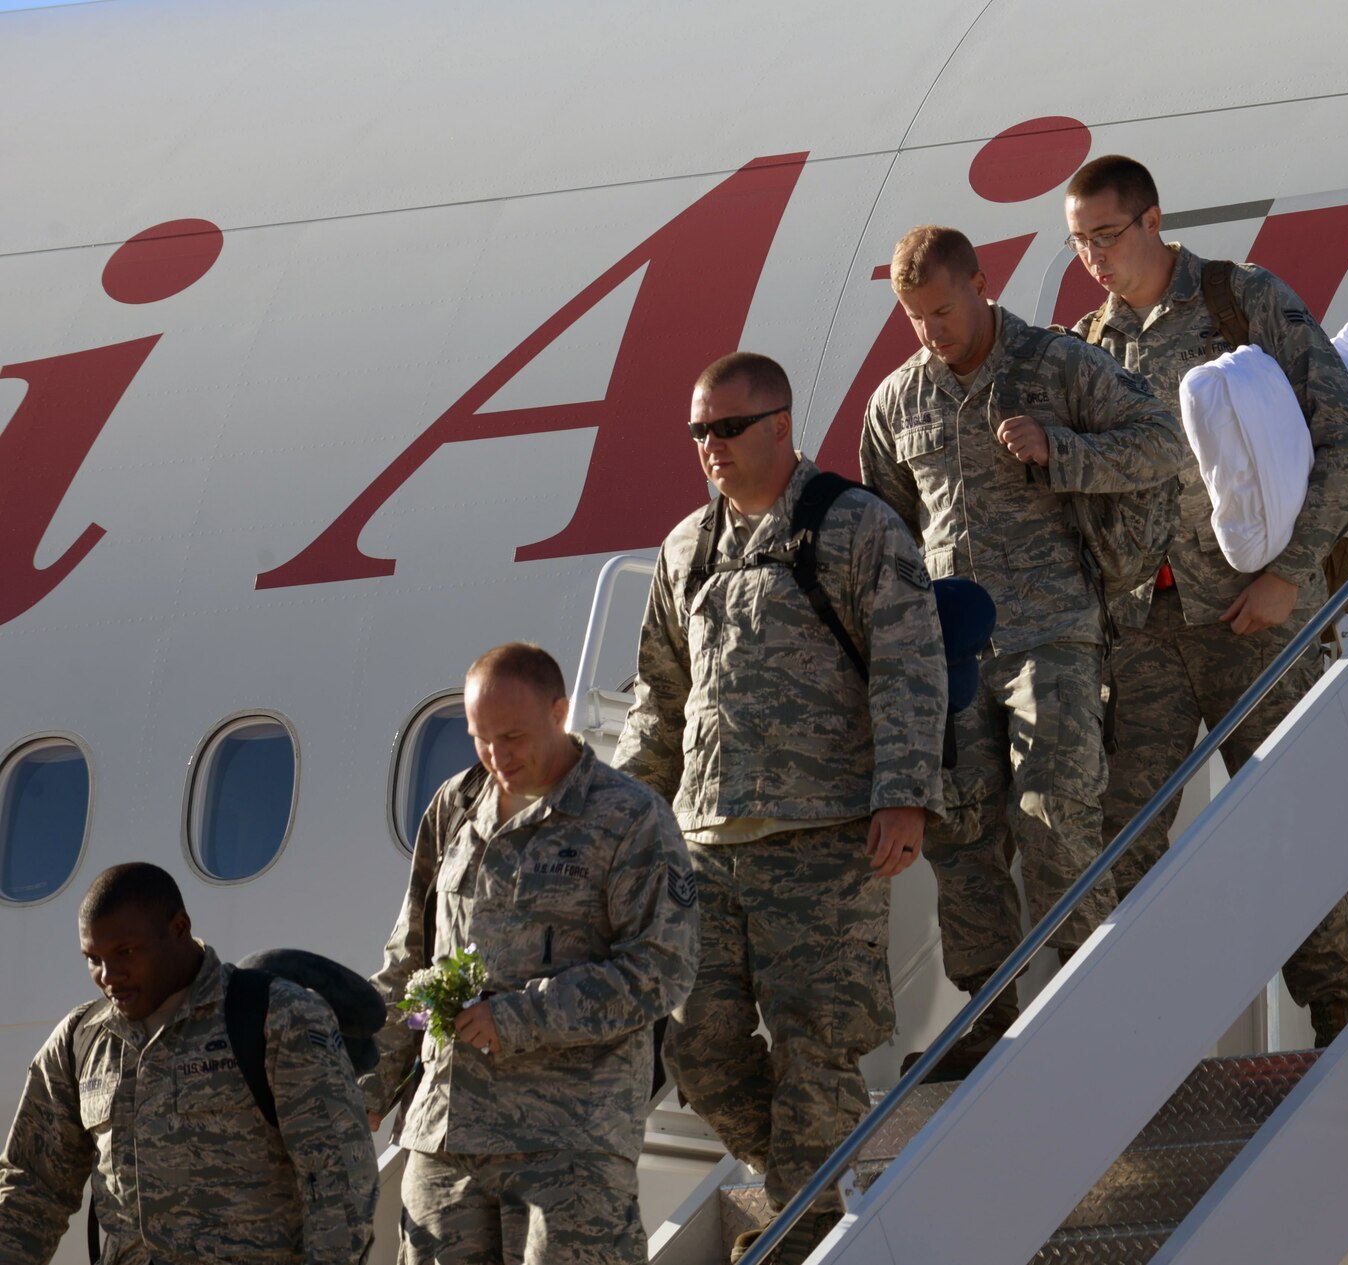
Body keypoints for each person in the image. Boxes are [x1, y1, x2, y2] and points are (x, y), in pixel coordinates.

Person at [614, 352, 948, 1262]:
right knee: (697, 1044)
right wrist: (623, 826)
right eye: (697, 432)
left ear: (780, 425)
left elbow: (912, 667)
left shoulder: (855, 528)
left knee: (818, 1050)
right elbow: (660, 697)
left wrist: (905, 794)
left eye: (726, 427)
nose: (709, 447)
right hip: (705, 842)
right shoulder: (687, 549)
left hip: (826, 838)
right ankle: (822, 1193)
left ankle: (805, 1235)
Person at [1061, 154, 1348, 1045]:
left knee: (1288, 817)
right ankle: (1146, 1021)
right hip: (1145, 627)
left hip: (1254, 617)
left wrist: (1293, 571)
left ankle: (1337, 1012)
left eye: (1107, 236)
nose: (1094, 259)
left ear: (1154, 220)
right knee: (1125, 834)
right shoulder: (1089, 349)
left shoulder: (1241, 300)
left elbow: (1345, 441)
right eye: (1079, 244)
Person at [859, 225, 1185, 1076]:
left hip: (1053, 632)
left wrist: (1061, 450)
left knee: (1053, 812)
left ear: (981, 282)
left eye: (942, 309)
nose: (932, 331)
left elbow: (1160, 442)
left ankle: (1097, 998)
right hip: (952, 655)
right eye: (914, 319)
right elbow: (888, 528)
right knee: (963, 835)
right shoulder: (897, 403)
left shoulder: (1056, 364)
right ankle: (989, 1014)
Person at [366, 642, 696, 1265]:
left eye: (513, 736)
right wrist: (367, 1086)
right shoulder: (456, 808)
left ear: (560, 712)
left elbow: (660, 970)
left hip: (569, 1143)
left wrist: (518, 1018)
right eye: (480, 738)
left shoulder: (629, 818)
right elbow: (411, 957)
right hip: (448, 1134)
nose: (497, 756)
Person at [0, 863, 377, 1264]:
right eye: (93, 958)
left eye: (126, 952)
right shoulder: (81, 1039)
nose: (108, 975)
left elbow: (339, 1180)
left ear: (179, 927)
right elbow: (32, 1188)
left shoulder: (277, 1016)